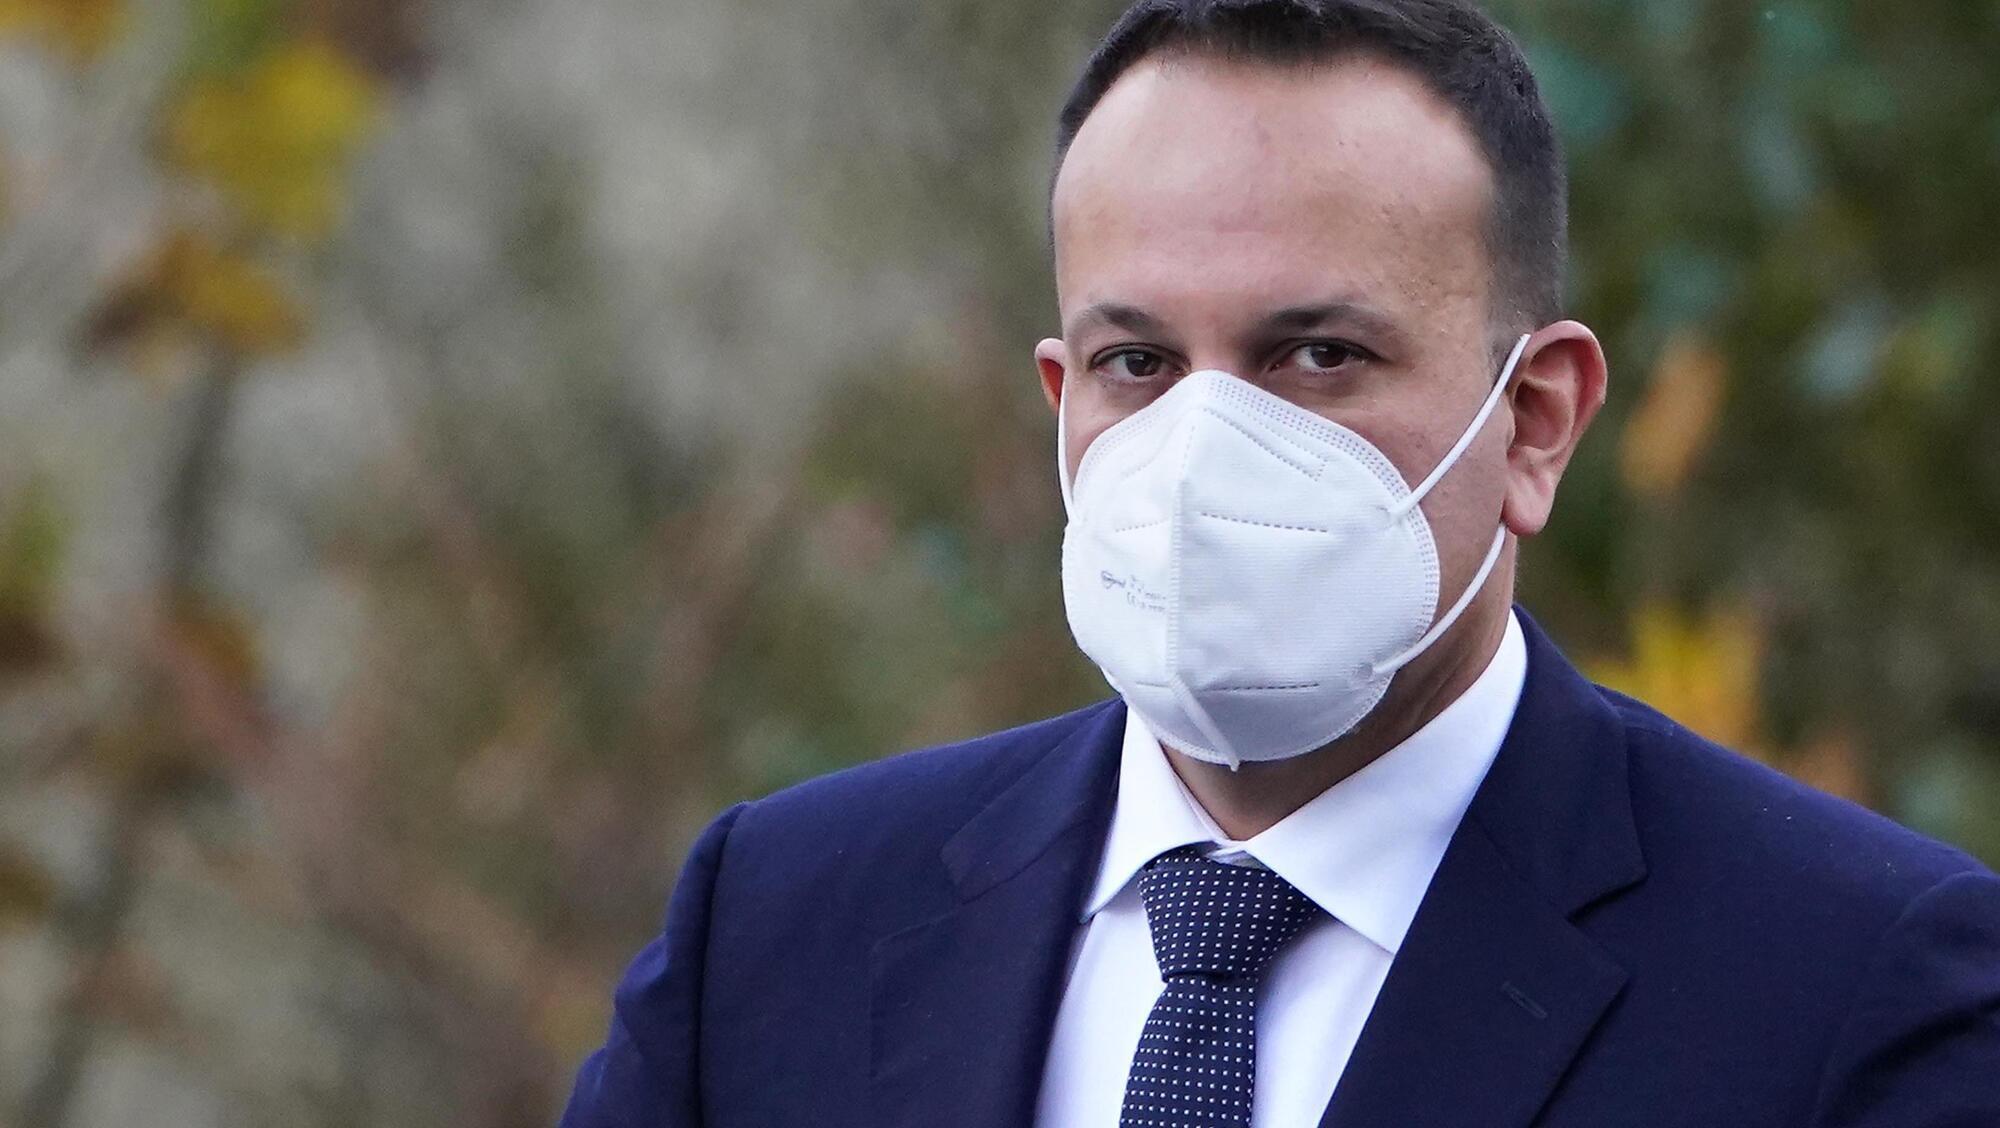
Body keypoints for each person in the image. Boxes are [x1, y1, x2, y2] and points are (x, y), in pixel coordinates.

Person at [559, 1, 2000, 1125]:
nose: (1205, 445)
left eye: (1318, 355)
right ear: (1062, 402)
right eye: (1138, 362)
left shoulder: (1855, 986)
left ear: (1536, 420)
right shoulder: (778, 927)